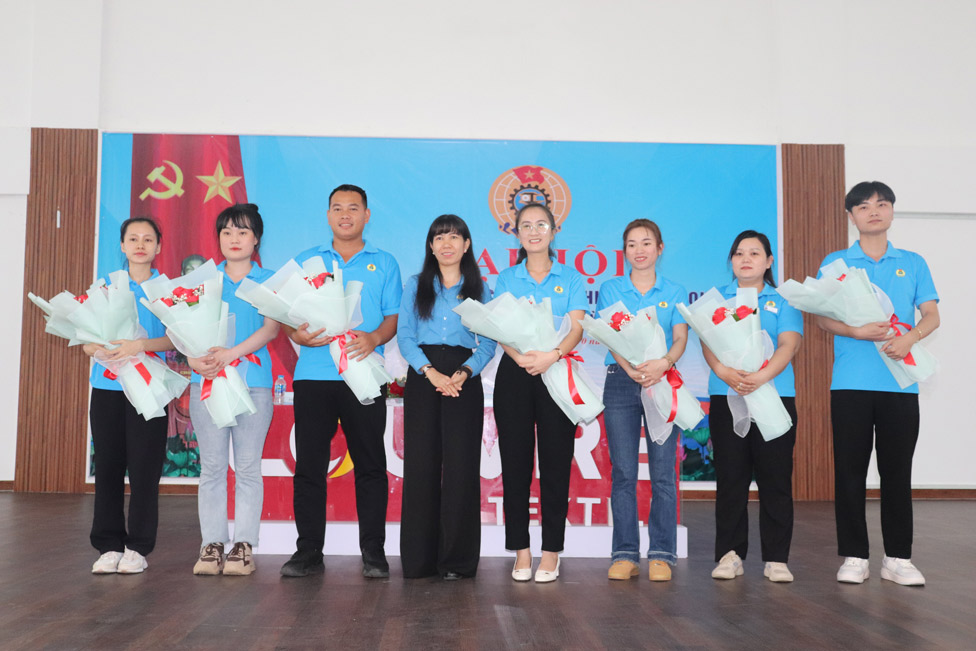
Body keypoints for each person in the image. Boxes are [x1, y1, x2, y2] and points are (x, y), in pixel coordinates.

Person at [816, 181, 939, 586]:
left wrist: (910, 338)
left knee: (897, 472)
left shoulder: (913, 262)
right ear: (851, 216)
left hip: (900, 384)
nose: (874, 211)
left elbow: (932, 315)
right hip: (850, 383)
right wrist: (854, 331)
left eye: (881, 204)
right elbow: (822, 318)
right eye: (864, 206)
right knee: (849, 471)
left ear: (891, 211)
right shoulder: (836, 262)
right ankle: (855, 556)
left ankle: (898, 558)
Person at [280, 184, 402, 578]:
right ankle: (308, 552)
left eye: (353, 208)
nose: (345, 214)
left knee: (371, 466)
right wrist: (297, 335)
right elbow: (286, 314)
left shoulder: (384, 263)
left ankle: (374, 553)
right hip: (314, 376)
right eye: (337, 208)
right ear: (328, 215)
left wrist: (375, 338)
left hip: (363, 374)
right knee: (309, 468)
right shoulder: (307, 261)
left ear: (367, 215)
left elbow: (393, 317)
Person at [397, 214, 496, 580]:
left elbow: (489, 343)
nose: (447, 243)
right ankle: (419, 560)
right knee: (420, 466)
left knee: (460, 468)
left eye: (454, 237)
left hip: (463, 376)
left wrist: (464, 372)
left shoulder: (481, 288)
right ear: (431, 245)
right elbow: (405, 336)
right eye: (439, 237)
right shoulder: (415, 285)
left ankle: (456, 561)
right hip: (424, 374)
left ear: (466, 245)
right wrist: (431, 372)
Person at [493, 203, 587, 583]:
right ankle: (521, 551)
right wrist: (520, 357)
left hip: (557, 371)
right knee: (515, 466)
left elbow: (577, 327)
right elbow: (499, 327)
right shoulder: (506, 278)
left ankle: (551, 553)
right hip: (515, 373)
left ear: (554, 230)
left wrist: (552, 355)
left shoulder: (572, 278)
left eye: (541, 225)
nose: (534, 232)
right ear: (517, 233)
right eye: (526, 226)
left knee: (555, 466)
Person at [702, 230, 802, 583]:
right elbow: (708, 342)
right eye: (739, 253)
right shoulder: (717, 299)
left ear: (769, 261)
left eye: (755, 253)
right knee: (731, 478)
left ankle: (776, 558)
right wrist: (723, 371)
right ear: (731, 260)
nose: (746, 259)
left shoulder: (784, 300)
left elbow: (789, 344)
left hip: (773, 395)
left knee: (776, 479)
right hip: (727, 394)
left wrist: (761, 377)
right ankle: (730, 555)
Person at [186, 204, 280, 576]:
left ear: (256, 239)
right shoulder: (204, 280)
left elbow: (271, 329)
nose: (234, 239)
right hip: (206, 383)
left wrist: (230, 354)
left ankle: (243, 546)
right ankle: (211, 544)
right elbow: (183, 328)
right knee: (211, 468)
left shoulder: (268, 279)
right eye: (227, 232)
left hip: (252, 383)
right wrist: (193, 359)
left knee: (247, 468)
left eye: (242, 232)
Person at [598, 219, 688, 582]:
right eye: (632, 244)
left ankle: (662, 554)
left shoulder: (675, 291)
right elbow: (610, 336)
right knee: (623, 472)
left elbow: (680, 338)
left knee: (663, 473)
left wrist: (663, 363)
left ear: (660, 248)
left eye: (647, 243)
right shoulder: (611, 289)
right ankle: (624, 553)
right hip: (621, 382)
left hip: (662, 380)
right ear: (624, 251)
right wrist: (631, 368)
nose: (639, 250)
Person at [84, 217, 175, 574]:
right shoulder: (105, 287)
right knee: (107, 467)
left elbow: (176, 339)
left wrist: (140, 346)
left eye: (148, 239)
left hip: (149, 387)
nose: (140, 244)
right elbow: (85, 338)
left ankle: (138, 547)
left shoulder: (166, 290)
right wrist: (97, 349)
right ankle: (108, 545)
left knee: (144, 470)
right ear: (122, 245)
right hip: (108, 386)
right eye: (133, 238)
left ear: (158, 247)